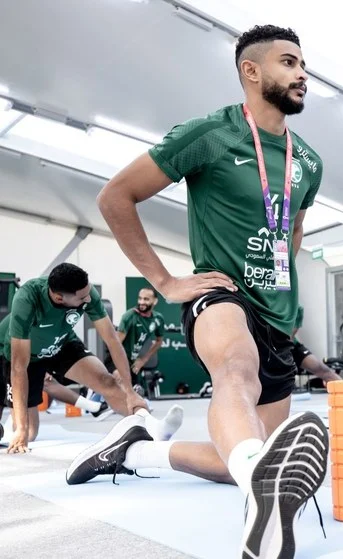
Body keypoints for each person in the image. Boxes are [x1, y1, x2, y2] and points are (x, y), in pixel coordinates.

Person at [68, 25, 329, 558]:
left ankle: (136, 452)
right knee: (235, 368)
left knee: (242, 455)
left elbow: (293, 229)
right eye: (288, 62)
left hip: (276, 314)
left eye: (304, 64)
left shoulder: (310, 162)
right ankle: (262, 491)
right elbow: (116, 196)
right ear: (250, 71)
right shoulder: (210, 133)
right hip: (221, 295)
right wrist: (164, 282)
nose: (302, 73)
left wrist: (286, 292)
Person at [0, 263, 182, 453]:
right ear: (59, 297)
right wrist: (21, 429)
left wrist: (129, 391)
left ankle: (152, 426)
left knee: (107, 381)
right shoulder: (27, 298)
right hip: (23, 352)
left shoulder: (87, 292)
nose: (89, 298)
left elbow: (112, 341)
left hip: (62, 342)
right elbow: (18, 367)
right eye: (82, 297)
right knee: (28, 434)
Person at [105, 286, 165, 392]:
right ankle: (96, 403)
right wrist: (118, 368)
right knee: (123, 388)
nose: (141, 302)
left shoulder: (158, 319)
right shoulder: (129, 316)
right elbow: (115, 345)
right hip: (116, 358)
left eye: (146, 299)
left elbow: (159, 341)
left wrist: (143, 360)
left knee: (135, 392)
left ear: (155, 301)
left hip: (132, 363)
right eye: (140, 298)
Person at [292, 305, 341, 388]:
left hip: (290, 345)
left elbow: (290, 334)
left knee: (324, 370)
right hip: (267, 346)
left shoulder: (297, 308)